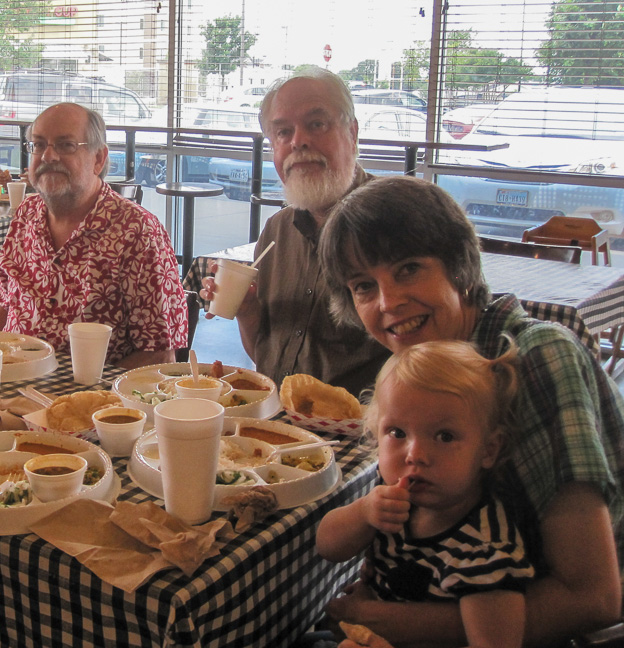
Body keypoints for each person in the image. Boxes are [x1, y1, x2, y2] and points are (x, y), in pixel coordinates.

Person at [317, 175, 624, 646]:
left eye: (408, 269)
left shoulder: (534, 358)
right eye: (363, 286)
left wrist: (385, 618)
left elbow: (594, 600)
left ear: (459, 267)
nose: (388, 302)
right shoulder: (424, 361)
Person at [317, 340, 535, 648]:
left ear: (489, 449)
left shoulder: (485, 552)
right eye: (398, 433)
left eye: (444, 436)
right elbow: (327, 546)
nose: (415, 454)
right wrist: (364, 511)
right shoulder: (393, 497)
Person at [200, 67, 389, 395]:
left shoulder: (396, 220)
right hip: (278, 421)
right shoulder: (278, 230)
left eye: (316, 124)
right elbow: (268, 359)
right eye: (283, 132)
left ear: (353, 133)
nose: (298, 141)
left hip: (363, 433)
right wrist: (246, 311)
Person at [0, 102, 187, 369]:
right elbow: (9, 305)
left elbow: (159, 355)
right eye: (39, 145)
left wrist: (73, 400)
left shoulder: (137, 231)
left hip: (93, 401)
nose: (47, 157)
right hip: (12, 383)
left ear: (98, 159)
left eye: (66, 145)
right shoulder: (26, 214)